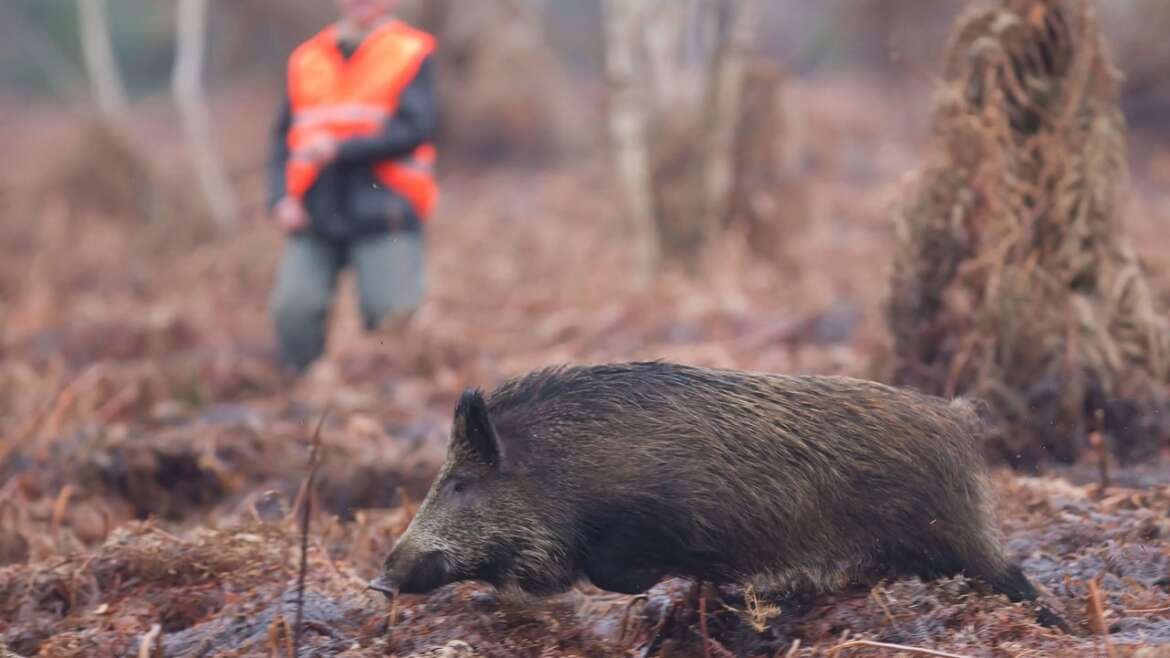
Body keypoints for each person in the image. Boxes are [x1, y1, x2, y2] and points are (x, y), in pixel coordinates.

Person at [267, 0, 438, 373]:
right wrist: (281, 198)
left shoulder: (410, 51)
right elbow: (283, 139)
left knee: (392, 318)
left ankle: (393, 394)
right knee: (294, 310)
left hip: (385, 204)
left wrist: (341, 149)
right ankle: (301, 386)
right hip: (315, 205)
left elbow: (416, 128)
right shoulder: (306, 57)